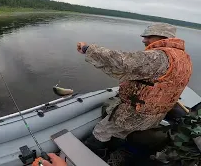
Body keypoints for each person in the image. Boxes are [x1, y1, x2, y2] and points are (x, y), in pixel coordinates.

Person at [76, 22, 193, 155]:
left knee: (101, 131)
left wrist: (88, 49)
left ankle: (91, 154)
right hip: (157, 113)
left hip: (135, 113)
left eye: (148, 36)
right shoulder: (184, 58)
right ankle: (116, 148)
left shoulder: (159, 57)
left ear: (162, 37)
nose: (144, 40)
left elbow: (122, 62)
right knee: (123, 132)